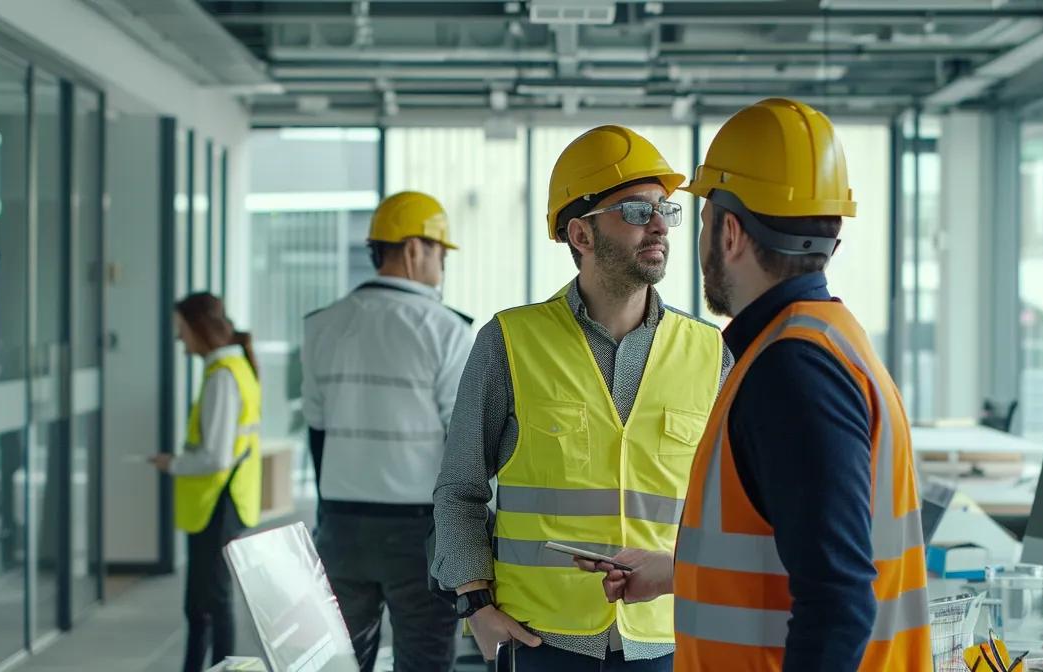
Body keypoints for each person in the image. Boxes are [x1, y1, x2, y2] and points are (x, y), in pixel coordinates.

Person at [573, 98, 932, 671]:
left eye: (704, 217)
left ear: (731, 233)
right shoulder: (826, 340)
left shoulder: (794, 371)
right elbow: (782, 552)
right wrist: (674, 572)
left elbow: (837, 602)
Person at [432, 125, 732, 671]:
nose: (660, 225)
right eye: (637, 212)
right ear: (581, 235)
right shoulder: (509, 342)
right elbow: (460, 489)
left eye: (664, 209)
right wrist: (474, 605)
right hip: (542, 642)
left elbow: (735, 505)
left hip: (668, 639)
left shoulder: (711, 352)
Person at [300, 191, 472, 672]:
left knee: (339, 660)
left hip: (339, 526)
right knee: (424, 660)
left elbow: (316, 428)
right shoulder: (445, 330)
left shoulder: (322, 327)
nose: (441, 266)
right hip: (417, 532)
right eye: (440, 253)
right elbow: (463, 445)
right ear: (415, 249)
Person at [152, 292, 263, 672]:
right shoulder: (233, 368)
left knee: (210, 604)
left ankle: (221, 667)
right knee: (202, 604)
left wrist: (173, 464)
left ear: (198, 328)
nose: (179, 338)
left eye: (181, 329)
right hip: (224, 500)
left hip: (217, 501)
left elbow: (216, 455)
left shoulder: (222, 377)